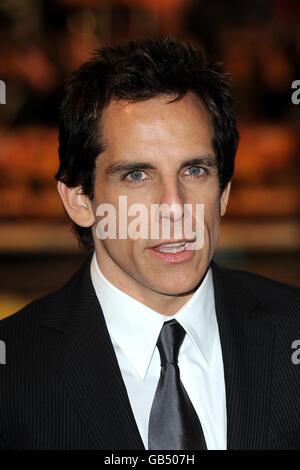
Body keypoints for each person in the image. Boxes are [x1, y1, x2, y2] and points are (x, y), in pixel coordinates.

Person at [0, 36, 300, 451]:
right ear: (80, 200)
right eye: (137, 176)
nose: (174, 207)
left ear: (225, 192)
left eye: (195, 170)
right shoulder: (13, 372)